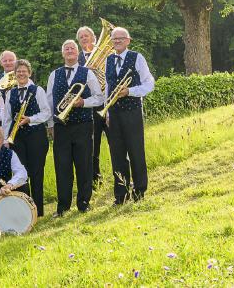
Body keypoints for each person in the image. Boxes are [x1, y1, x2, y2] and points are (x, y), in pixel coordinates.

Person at [47, 40, 104, 216]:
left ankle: (84, 203)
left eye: (72, 48)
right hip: (61, 127)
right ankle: (62, 207)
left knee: (84, 165)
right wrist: (51, 124)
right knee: (62, 166)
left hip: (83, 125)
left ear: (77, 52)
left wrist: (83, 102)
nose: (69, 51)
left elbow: (99, 97)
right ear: (62, 53)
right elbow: (49, 102)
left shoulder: (87, 73)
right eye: (66, 49)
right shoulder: (54, 75)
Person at [104, 27, 155, 204]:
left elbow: (150, 84)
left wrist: (130, 91)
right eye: (114, 39)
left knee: (136, 152)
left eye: (120, 38)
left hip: (132, 111)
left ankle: (139, 191)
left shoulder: (137, 57)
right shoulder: (108, 60)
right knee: (117, 155)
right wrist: (106, 110)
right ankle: (121, 194)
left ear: (128, 40)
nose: (116, 41)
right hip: (114, 113)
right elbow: (108, 89)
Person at [1, 59, 50, 217]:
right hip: (17, 138)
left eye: (24, 71)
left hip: (36, 136)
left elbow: (46, 113)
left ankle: (38, 210)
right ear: (14, 75)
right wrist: (5, 139)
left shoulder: (38, 90)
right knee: (20, 173)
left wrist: (30, 119)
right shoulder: (10, 93)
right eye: (18, 71)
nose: (21, 74)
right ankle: (24, 209)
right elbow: (7, 118)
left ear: (29, 73)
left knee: (36, 173)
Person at [77, 26, 108, 185]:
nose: (84, 39)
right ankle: (95, 180)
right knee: (92, 146)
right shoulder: (77, 60)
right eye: (81, 37)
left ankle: (122, 177)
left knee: (116, 143)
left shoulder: (106, 55)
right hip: (90, 107)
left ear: (94, 38)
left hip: (109, 104)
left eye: (86, 36)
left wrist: (97, 71)